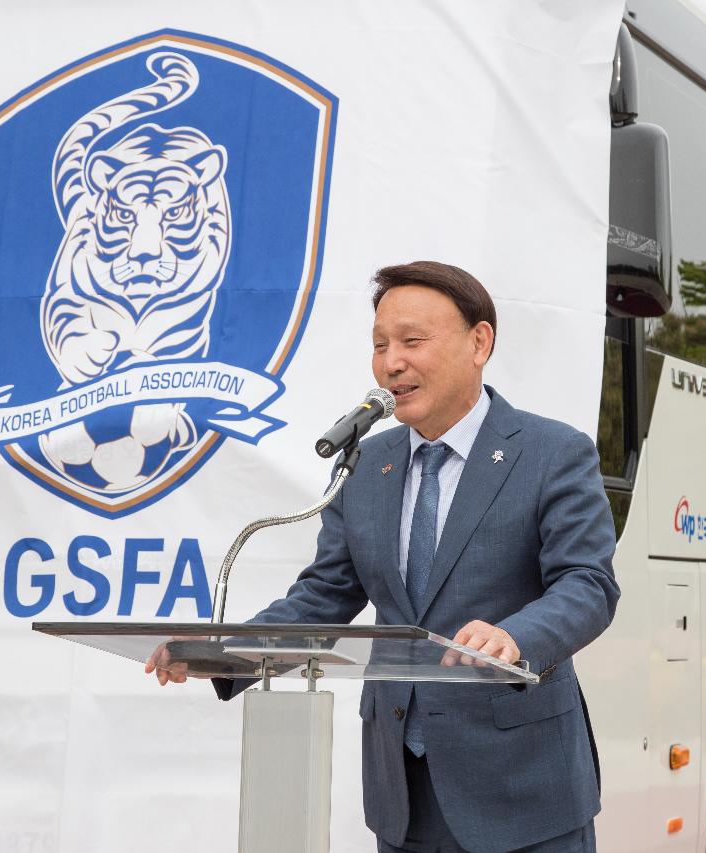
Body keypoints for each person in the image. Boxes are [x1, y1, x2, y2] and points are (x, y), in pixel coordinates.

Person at [149, 260, 619, 853]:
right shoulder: (368, 465)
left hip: (522, 792)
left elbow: (588, 584)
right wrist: (222, 655)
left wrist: (515, 638)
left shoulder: (553, 452)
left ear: (480, 342)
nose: (390, 362)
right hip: (403, 796)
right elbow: (323, 598)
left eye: (411, 342)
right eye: (379, 345)